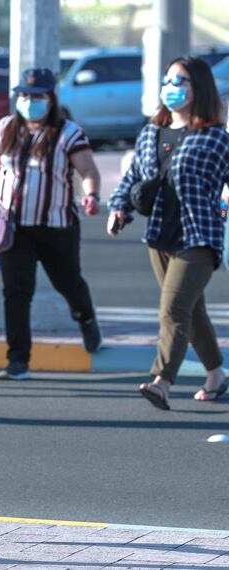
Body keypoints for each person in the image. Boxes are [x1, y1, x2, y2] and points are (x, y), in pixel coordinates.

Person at [0, 68, 102, 380]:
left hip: (57, 225)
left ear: (51, 99)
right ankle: (18, 359)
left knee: (68, 282)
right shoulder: (5, 129)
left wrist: (91, 194)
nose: (29, 101)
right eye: (24, 95)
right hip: (13, 226)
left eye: (37, 96)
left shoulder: (68, 133)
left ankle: (86, 317)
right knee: (16, 292)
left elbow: (88, 170)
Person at [108, 56, 229, 410]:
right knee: (192, 311)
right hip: (160, 236)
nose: (171, 88)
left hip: (200, 236)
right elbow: (132, 179)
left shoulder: (214, 138)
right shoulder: (150, 133)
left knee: (174, 308)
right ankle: (216, 375)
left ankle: (162, 381)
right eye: (168, 81)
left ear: (199, 89)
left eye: (181, 81)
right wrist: (119, 209)